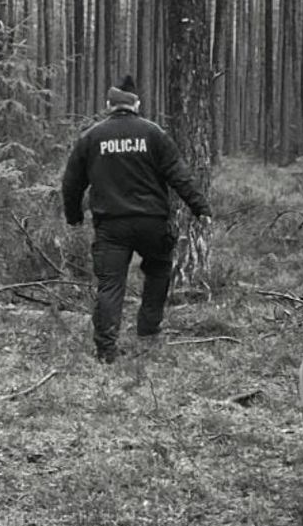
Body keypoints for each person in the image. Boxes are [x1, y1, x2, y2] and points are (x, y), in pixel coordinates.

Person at [62, 75, 212, 364]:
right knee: (158, 271)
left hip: (111, 227)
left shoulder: (91, 137)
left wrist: (74, 216)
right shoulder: (153, 133)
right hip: (152, 223)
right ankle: (148, 331)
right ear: (136, 104)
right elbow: (178, 175)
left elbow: (71, 183)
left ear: (109, 105)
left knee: (110, 285)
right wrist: (200, 207)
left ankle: (106, 351)